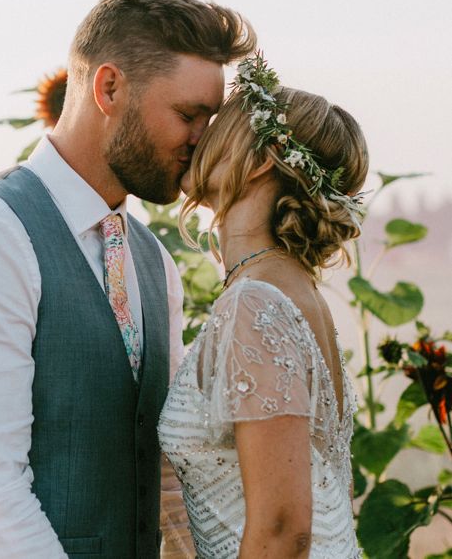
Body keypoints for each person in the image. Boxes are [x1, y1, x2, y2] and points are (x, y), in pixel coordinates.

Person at [0, 0, 256, 559]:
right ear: (109, 87)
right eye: (189, 115)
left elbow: (158, 464)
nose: (202, 141)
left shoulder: (152, 261)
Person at [158, 54, 368, 558]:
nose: (198, 138)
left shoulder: (256, 303)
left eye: (219, 128)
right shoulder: (294, 291)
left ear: (260, 160)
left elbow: (281, 528)